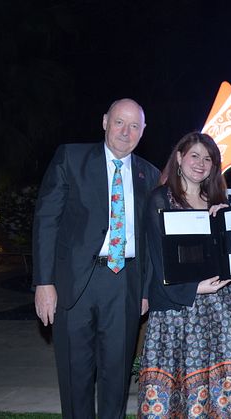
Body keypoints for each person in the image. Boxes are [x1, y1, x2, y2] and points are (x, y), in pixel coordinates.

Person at [32, 98, 161, 418]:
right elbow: (46, 220)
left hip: (125, 284)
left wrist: (145, 290)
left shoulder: (150, 174)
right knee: (76, 373)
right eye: (119, 122)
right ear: (105, 121)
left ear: (143, 131)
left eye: (134, 125)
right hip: (75, 284)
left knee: (116, 375)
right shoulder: (70, 158)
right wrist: (44, 282)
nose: (126, 131)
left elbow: (151, 239)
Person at [137, 131, 231, 418]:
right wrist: (194, 289)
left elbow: (228, 258)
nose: (201, 163)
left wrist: (226, 224)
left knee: (215, 386)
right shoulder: (160, 199)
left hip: (217, 308)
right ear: (180, 157)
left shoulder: (216, 201)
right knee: (172, 387)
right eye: (194, 155)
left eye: (208, 158)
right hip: (176, 308)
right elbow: (158, 260)